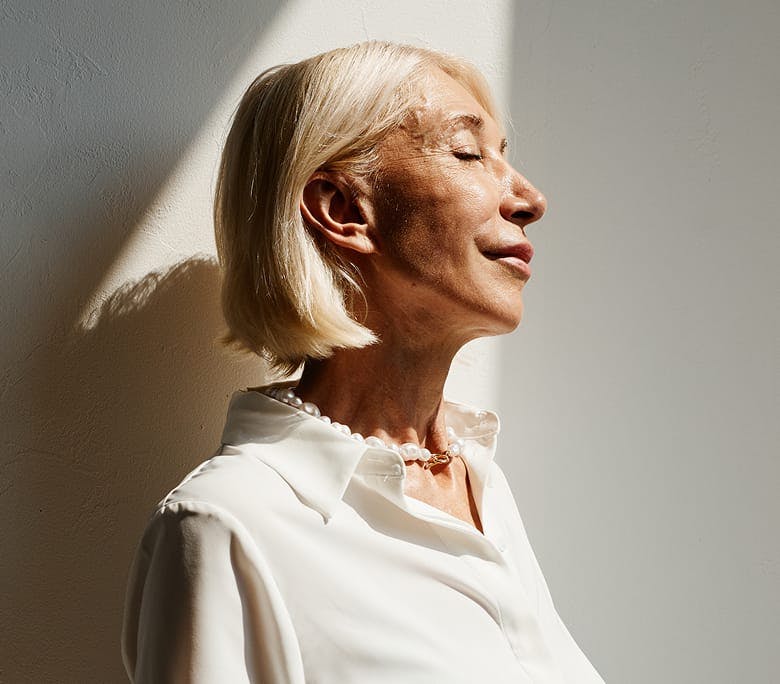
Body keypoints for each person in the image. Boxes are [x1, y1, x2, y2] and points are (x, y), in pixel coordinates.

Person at [121, 41, 606, 683]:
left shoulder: (478, 482)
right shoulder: (228, 527)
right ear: (343, 209)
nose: (529, 198)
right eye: (468, 153)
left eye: (504, 157)